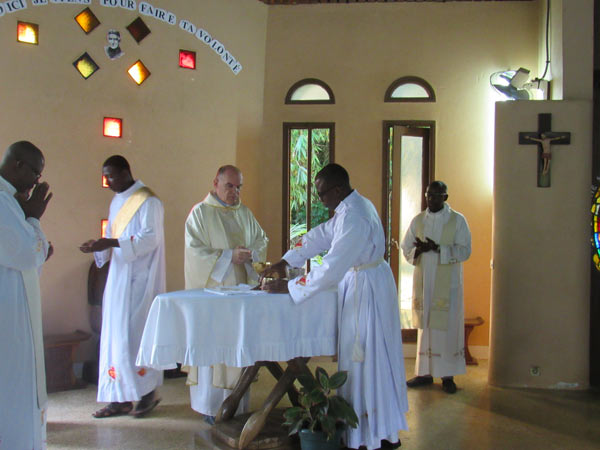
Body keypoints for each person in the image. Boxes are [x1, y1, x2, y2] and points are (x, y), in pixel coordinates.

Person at [261, 163, 406, 450]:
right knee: (362, 361)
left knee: (369, 360)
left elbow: (332, 266)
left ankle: (375, 435)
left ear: (338, 189)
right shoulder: (348, 208)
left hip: (367, 291)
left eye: (322, 193)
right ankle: (368, 432)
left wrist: (291, 286)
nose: (320, 199)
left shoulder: (355, 216)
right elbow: (320, 235)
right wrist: (286, 261)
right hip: (362, 283)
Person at [80, 155, 165, 418]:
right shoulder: (117, 200)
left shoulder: (148, 201)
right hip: (119, 279)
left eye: (112, 176)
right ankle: (120, 399)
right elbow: (112, 236)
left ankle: (147, 394)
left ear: (126, 172)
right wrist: (98, 246)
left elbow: (150, 239)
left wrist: (111, 243)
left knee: (136, 336)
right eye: (105, 177)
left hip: (140, 280)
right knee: (115, 338)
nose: (108, 182)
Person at [184, 164, 268, 423]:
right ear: (216, 183)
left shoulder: (244, 213)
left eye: (239, 187)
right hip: (213, 298)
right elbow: (194, 252)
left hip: (241, 296)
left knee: (237, 347)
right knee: (214, 347)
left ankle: (237, 406)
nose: (234, 192)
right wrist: (228, 257)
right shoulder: (200, 213)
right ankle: (210, 408)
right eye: (229, 186)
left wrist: (251, 254)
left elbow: (261, 240)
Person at [0, 141, 52, 449]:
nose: (36, 181)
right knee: (13, 385)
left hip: (14, 306)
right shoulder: (2, 201)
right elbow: (26, 253)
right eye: (35, 172)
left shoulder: (9, 200)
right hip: (8, 315)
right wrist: (33, 217)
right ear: (17, 164)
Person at [401, 181, 471, 394]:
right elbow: (406, 247)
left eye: (436, 195)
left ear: (445, 197)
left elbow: (465, 250)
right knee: (426, 327)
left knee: (447, 327)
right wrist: (419, 251)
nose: (431, 199)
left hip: (447, 286)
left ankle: (447, 376)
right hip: (425, 283)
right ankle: (424, 373)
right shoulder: (418, 220)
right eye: (428, 195)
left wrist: (439, 248)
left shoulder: (457, 220)